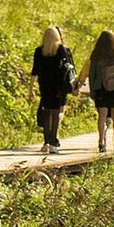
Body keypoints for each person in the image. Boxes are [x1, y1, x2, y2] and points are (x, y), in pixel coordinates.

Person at [28, 25, 76, 154]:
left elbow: (34, 71)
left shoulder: (39, 51)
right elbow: (68, 67)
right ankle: (53, 142)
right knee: (55, 113)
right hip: (58, 85)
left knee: (46, 112)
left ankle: (46, 142)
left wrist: (31, 88)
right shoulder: (60, 50)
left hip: (45, 85)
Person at [78, 30, 114, 152]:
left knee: (102, 116)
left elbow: (92, 74)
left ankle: (101, 142)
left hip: (100, 88)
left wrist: (93, 92)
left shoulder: (95, 55)